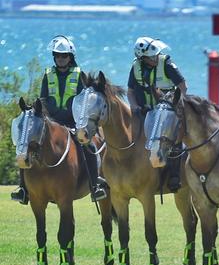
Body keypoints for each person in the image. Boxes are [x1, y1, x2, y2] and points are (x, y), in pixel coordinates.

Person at [11, 35, 108, 204]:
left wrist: (78, 121)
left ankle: (95, 185)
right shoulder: (48, 74)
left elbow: (83, 100)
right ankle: (23, 188)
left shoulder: (79, 75)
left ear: (71, 57)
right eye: (57, 55)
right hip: (49, 122)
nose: (61, 58)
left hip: (73, 122)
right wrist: (46, 118)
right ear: (54, 57)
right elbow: (42, 99)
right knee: (25, 143)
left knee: (88, 145)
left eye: (64, 56)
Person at [127, 36, 187, 192]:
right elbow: (130, 91)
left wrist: (173, 105)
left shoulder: (166, 64)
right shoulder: (135, 68)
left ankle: (174, 175)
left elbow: (183, 87)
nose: (154, 58)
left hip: (167, 112)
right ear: (141, 58)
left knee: (174, 139)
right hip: (145, 111)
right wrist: (133, 106)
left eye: (155, 55)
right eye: (150, 57)